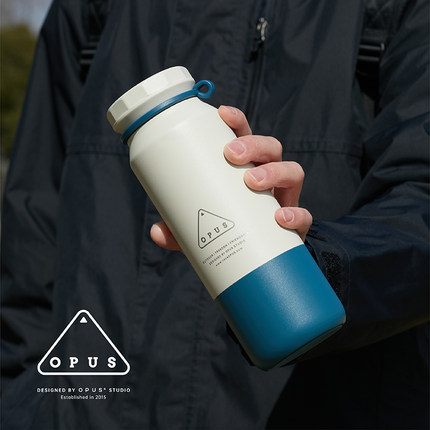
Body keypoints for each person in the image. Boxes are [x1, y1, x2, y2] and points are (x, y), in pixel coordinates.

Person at [1, 0, 428, 429]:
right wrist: (22, 403)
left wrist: (319, 264)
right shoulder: (91, 8)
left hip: (309, 405)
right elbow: (31, 224)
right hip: (89, 410)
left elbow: (420, 208)